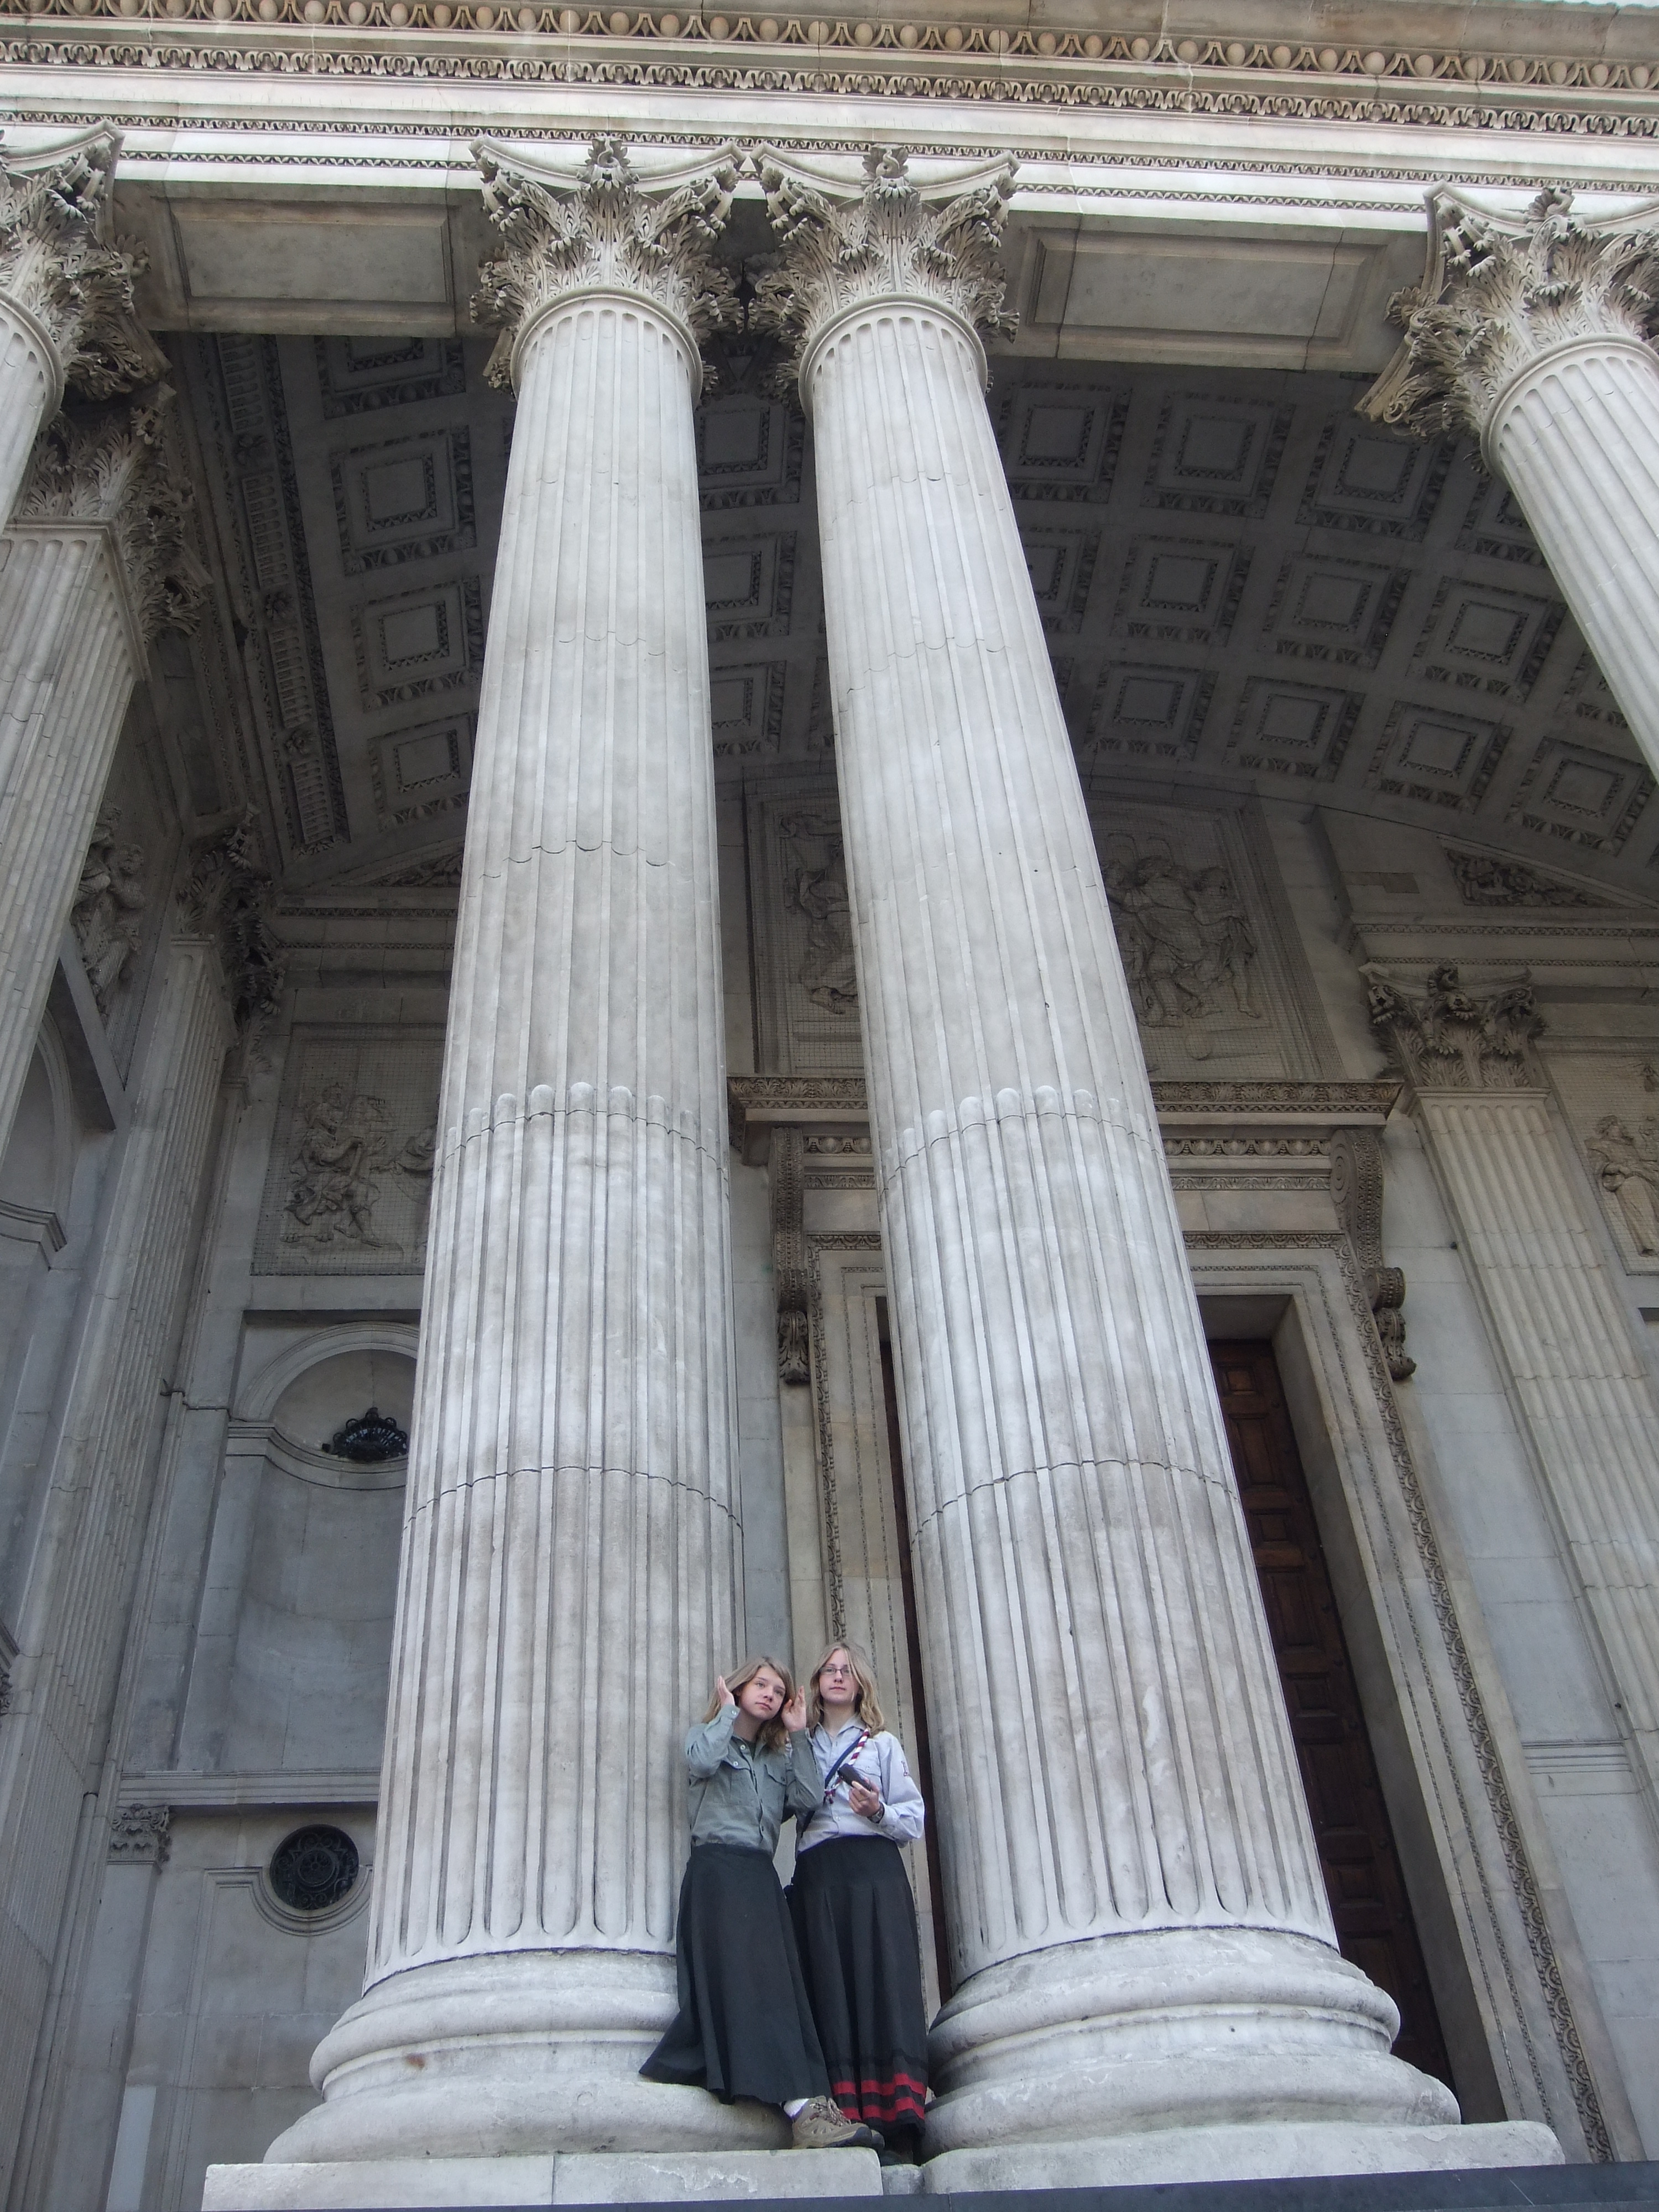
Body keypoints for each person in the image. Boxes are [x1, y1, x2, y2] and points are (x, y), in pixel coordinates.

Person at [640, 1656, 884, 2152]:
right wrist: (727, 1713)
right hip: (718, 1872)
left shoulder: (777, 1756)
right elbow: (701, 1762)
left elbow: (808, 1798)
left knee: (777, 1987)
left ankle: (807, 2106)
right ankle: (800, 2106)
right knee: (748, 1984)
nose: (770, 1694)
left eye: (778, 1690)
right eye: (761, 1685)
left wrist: (796, 1736)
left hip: (759, 1875)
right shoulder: (708, 1735)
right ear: (738, 1688)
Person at [791, 1644, 930, 2153]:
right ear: (816, 1681)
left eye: (846, 1671)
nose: (837, 1677)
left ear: (861, 1683)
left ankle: (899, 2124)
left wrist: (876, 1811)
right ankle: (842, 2116)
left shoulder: (882, 1745)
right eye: (829, 1670)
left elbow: (913, 1821)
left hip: (874, 1872)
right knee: (829, 1988)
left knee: (882, 1984)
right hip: (819, 1875)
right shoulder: (796, 1745)